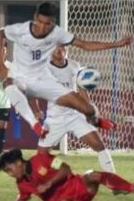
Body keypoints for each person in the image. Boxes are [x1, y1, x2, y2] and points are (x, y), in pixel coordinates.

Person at [0, 2, 132, 137]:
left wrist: (116, 44)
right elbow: (0, 34)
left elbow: (84, 45)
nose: (42, 27)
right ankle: (35, 125)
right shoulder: (20, 30)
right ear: (35, 17)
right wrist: (1, 65)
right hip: (21, 77)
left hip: (44, 80)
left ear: (53, 22)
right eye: (40, 22)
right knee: (8, 84)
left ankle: (97, 121)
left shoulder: (57, 33)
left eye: (47, 24)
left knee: (88, 109)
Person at [31, 45, 117, 173]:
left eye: (63, 47)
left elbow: (82, 90)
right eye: (56, 47)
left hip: (75, 116)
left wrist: (89, 109)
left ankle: (113, 179)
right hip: (55, 119)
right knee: (41, 156)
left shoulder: (75, 66)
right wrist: (36, 110)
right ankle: (56, 174)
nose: (61, 50)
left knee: (99, 145)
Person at [0, 149, 134, 201]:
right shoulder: (21, 183)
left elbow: (66, 168)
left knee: (92, 175)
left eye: (8, 169)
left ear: (18, 162)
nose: (9, 174)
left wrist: (48, 184)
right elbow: (22, 199)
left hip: (78, 187)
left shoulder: (41, 159)